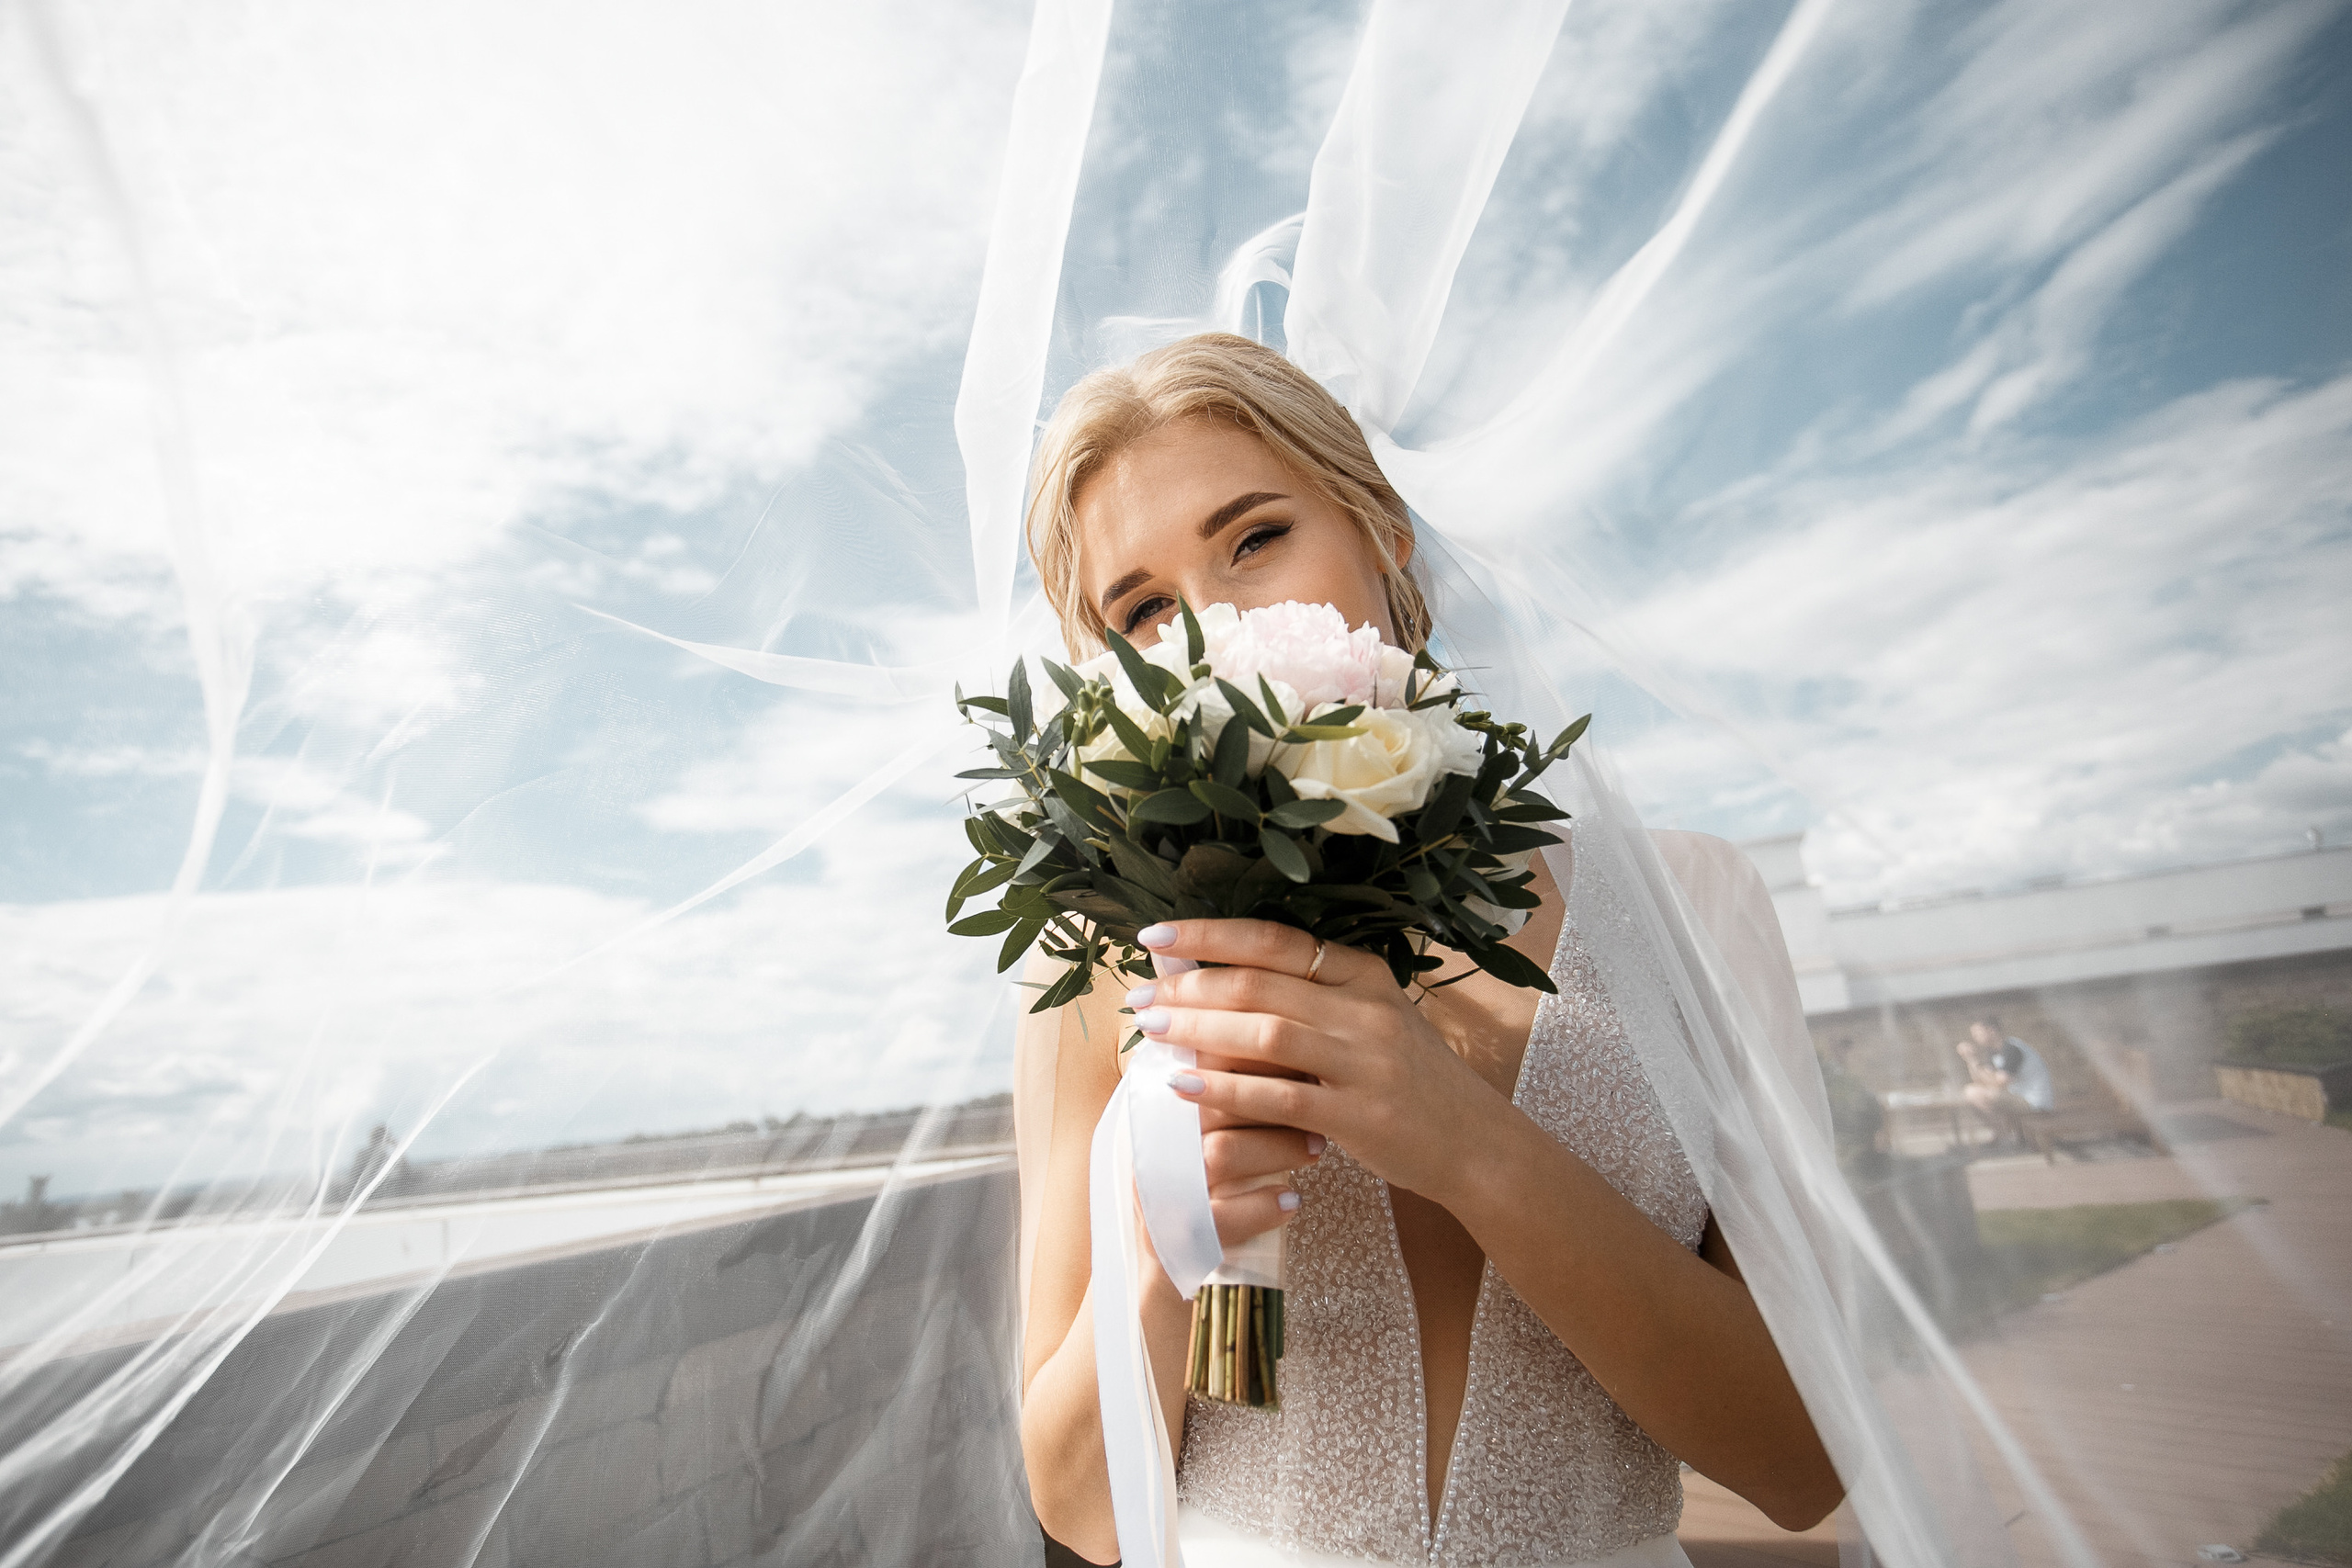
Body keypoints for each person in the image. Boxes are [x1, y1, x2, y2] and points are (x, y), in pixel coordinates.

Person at [1012, 334, 1843, 1567]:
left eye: (1255, 537)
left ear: (1385, 535)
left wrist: (1462, 1138)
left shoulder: (1696, 900)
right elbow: (1080, 1513)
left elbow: (1804, 1467)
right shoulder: (1098, 958)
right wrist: (1162, 1247)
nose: (1212, 626)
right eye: (1142, 608)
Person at [1956, 1020, 2056, 1145]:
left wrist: (1976, 1063)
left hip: (2034, 1102)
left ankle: (2005, 1135)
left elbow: (2000, 1082)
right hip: (2018, 1098)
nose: (1975, 1038)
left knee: (1973, 1093)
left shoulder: (2012, 1049)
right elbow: (1981, 1081)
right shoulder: (1994, 1052)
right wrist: (1970, 1059)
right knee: (1972, 1093)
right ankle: (2006, 1134)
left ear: (1991, 1030)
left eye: (1978, 1033)